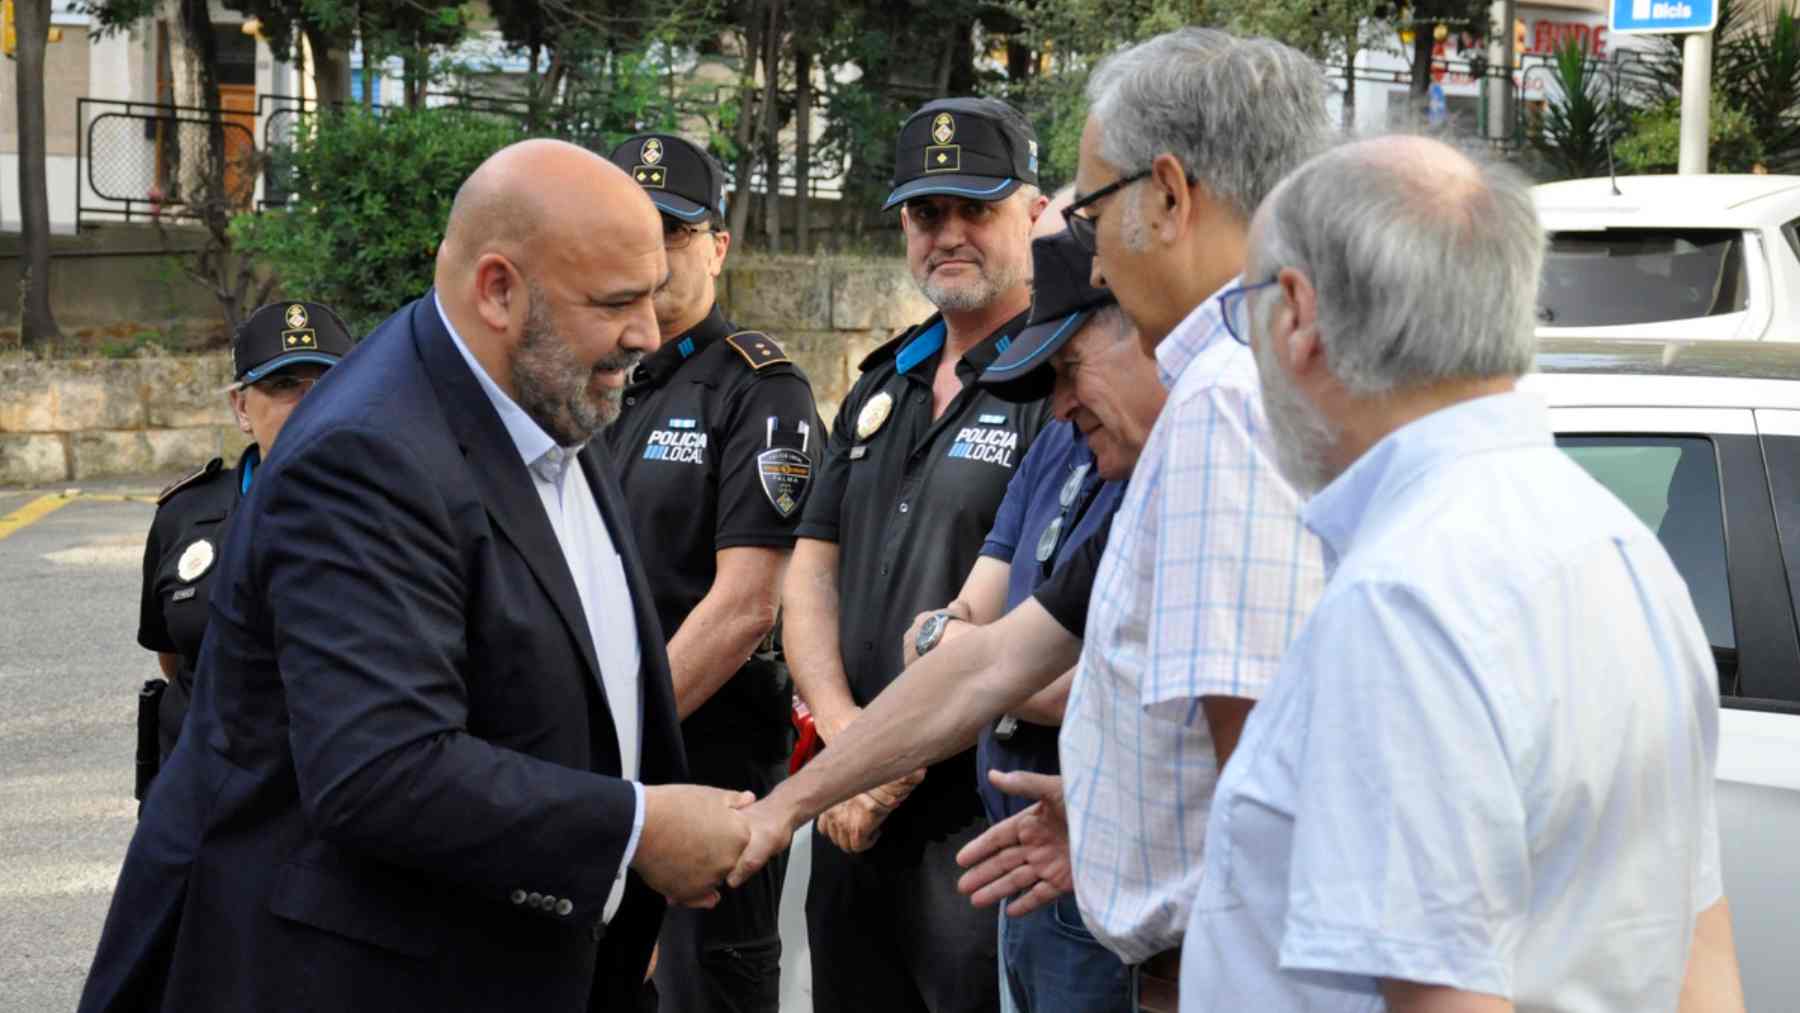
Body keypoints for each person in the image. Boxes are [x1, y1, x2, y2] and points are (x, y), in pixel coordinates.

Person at [79, 139, 754, 1013]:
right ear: (499, 289)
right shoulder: (367, 453)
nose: (649, 334)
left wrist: (615, 905)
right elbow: (379, 769)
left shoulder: (544, 391)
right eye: (616, 303)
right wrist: (635, 834)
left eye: (654, 297)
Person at [728, 29, 1329, 1008]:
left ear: (1169, 195)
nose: (1083, 236)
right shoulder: (1226, 390)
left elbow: (1265, 791)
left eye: (1091, 206)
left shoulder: (1226, 399)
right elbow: (1004, 651)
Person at [1183, 134, 1747, 1012]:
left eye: (1241, 310)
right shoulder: (1625, 551)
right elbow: (1698, 956)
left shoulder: (1402, 599)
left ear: (1297, 314)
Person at [780, 96, 1052, 1013]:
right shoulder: (881, 381)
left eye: (977, 208)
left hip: (976, 821)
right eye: (927, 213)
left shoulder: (1057, 382)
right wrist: (848, 735)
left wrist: (888, 765)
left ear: (1034, 211)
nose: (950, 233)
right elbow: (811, 566)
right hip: (849, 802)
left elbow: (1048, 613)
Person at [900, 229, 1160, 1013]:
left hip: (1105, 873)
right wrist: (985, 658)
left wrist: (982, 664)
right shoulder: (1059, 445)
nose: (1059, 402)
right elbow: (948, 631)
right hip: (1028, 863)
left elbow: (1099, 681)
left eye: (1068, 369)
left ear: (1140, 330)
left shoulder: (1165, 471)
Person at [603, 132, 822, 1013]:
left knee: (706, 995)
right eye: (633, 231)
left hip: (709, 770)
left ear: (718, 247)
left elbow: (744, 608)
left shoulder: (757, 389)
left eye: (675, 233)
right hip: (605, 778)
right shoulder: (593, 380)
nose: (652, 258)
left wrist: (612, 728)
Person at [136, 301, 353, 775]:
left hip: (346, 793)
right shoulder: (185, 515)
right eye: (281, 386)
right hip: (209, 799)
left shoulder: (401, 505)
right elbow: (175, 659)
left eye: (329, 384)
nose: (308, 401)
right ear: (241, 407)